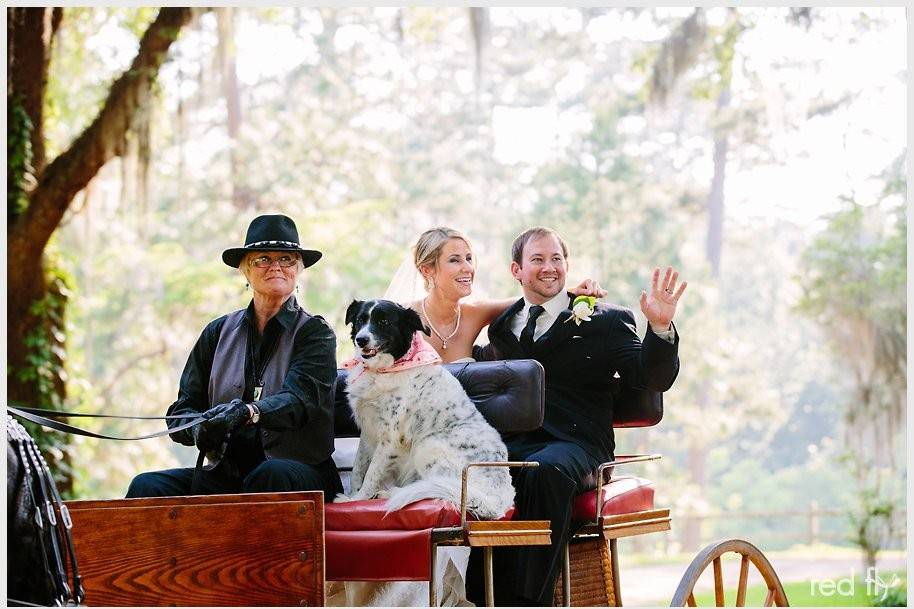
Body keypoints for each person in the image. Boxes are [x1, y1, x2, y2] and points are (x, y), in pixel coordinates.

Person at [468, 226, 686, 606]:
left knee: (543, 470)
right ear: (516, 270)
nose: (549, 267)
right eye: (537, 259)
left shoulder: (605, 320)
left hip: (578, 445)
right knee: (475, 471)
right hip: (517, 444)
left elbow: (651, 377)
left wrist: (660, 327)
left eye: (557, 259)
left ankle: (528, 602)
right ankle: (478, 596)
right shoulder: (503, 327)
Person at [126, 214, 342, 500]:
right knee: (147, 486)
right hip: (227, 473)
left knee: (268, 476)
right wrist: (197, 429)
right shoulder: (217, 331)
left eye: (286, 259)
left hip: (300, 473)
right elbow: (182, 410)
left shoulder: (315, 333)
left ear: (298, 269)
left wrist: (248, 412)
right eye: (262, 258)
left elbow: (301, 401)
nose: (275, 266)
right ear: (245, 271)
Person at [386, 227, 606, 363]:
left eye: (469, 258)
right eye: (455, 260)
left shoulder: (475, 314)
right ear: (427, 270)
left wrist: (572, 291)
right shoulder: (400, 319)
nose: (467, 268)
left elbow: (528, 300)